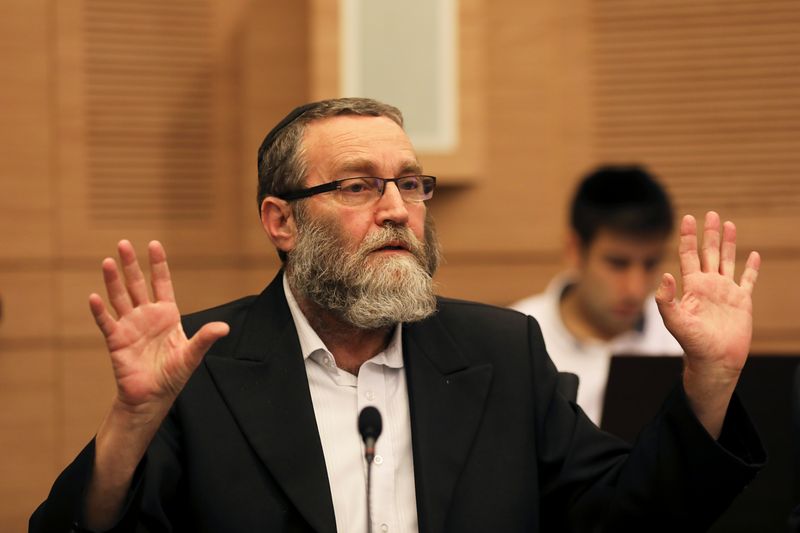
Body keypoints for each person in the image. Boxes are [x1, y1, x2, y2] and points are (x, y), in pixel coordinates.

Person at [31, 98, 765, 533]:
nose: (397, 210)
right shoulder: (203, 364)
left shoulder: (501, 352)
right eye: (358, 186)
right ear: (279, 220)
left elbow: (628, 515)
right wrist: (131, 420)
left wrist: (709, 378)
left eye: (410, 184)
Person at [511, 166, 683, 425]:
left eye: (650, 264)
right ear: (574, 250)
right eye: (617, 263)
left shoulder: (682, 338)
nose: (636, 290)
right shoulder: (515, 339)